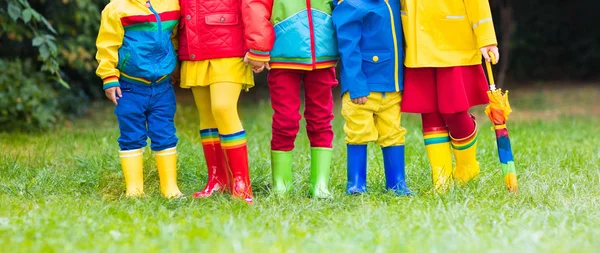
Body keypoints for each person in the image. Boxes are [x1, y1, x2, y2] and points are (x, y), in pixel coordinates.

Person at [400, 0, 500, 192]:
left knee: (454, 110)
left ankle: (467, 167)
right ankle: (441, 180)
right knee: (429, 113)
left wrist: (487, 39)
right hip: (417, 45)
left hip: (454, 43)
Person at [177, 0, 272, 203]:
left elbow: (254, 4)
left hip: (229, 46)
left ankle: (241, 183)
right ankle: (217, 180)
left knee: (222, 107)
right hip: (194, 48)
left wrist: (258, 46)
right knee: (207, 115)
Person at [247, 0, 339, 198]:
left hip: (323, 51)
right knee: (285, 120)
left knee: (322, 118)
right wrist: (258, 47)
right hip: (283, 53)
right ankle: (281, 184)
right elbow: (255, 6)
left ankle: (320, 184)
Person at [96, 0, 182, 198]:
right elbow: (107, 45)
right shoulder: (116, 8)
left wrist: (174, 65)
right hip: (129, 86)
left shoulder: (172, 5)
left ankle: (170, 187)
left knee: (165, 133)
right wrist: (109, 77)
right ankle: (134, 189)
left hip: (162, 85)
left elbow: (174, 38)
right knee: (131, 135)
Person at [333, 0, 410, 195]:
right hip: (363, 88)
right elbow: (348, 47)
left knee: (393, 133)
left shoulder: (394, 2)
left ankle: (397, 183)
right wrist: (356, 85)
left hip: (391, 85)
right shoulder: (350, 4)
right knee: (358, 132)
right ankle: (356, 183)